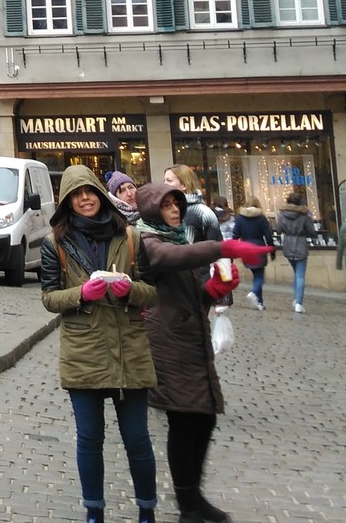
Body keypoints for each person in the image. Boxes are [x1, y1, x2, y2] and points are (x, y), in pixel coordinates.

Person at [135, 182, 273, 523]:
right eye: (167, 205)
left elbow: (195, 294)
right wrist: (223, 247)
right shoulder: (146, 240)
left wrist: (213, 289)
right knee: (183, 419)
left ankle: (194, 498)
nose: (175, 210)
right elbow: (168, 260)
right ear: (153, 209)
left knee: (203, 417)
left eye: (177, 204)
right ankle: (187, 506)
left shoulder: (181, 238)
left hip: (191, 338)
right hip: (166, 340)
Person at [39, 164, 158, 523]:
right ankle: (94, 512)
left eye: (89, 191)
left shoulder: (131, 236)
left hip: (129, 350)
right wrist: (81, 294)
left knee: (137, 439)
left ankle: (147, 511)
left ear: (100, 194)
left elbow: (151, 292)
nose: (85, 199)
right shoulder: (55, 243)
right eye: (76, 195)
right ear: (67, 203)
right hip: (84, 352)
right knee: (89, 439)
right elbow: (49, 297)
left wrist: (130, 290)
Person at [275, 189, 318, 313]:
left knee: (296, 274)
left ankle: (296, 298)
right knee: (300, 275)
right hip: (300, 244)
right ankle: (298, 301)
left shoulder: (283, 214)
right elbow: (311, 232)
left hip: (288, 244)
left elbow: (278, 229)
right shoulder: (304, 215)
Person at [230, 196, 274, 310]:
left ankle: (259, 302)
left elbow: (235, 234)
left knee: (256, 275)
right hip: (259, 247)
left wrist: (233, 249)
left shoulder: (240, 218)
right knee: (259, 275)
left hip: (246, 248)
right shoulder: (261, 218)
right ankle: (254, 293)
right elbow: (268, 235)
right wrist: (271, 248)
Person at [163, 166, 220, 241]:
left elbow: (216, 246)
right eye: (164, 180)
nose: (164, 184)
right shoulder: (163, 210)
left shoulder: (203, 212)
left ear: (184, 185)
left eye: (169, 180)